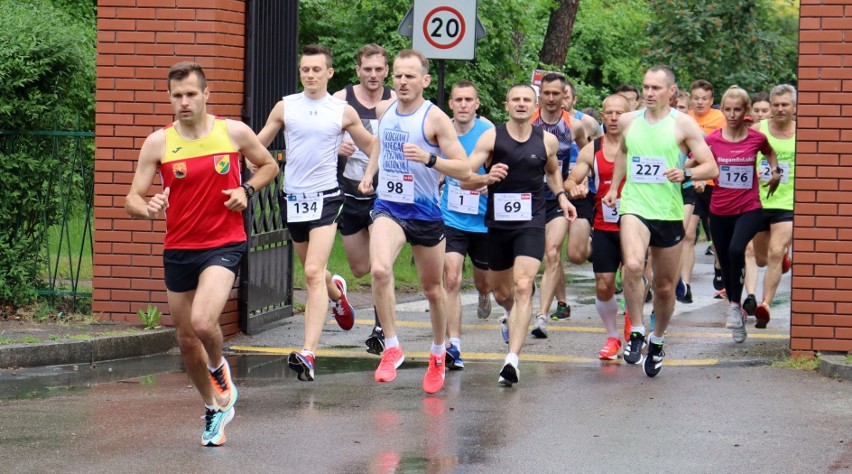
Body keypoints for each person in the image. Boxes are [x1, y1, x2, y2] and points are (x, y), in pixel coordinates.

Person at [125, 62, 279, 446]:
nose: (184, 101)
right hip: (179, 247)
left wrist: (248, 190)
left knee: (204, 323)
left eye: (191, 94)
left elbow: (269, 165)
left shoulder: (233, 132)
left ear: (206, 95)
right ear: (169, 98)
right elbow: (132, 197)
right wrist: (148, 207)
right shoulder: (158, 142)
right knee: (185, 337)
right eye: (177, 95)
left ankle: (219, 367)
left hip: (224, 242)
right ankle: (214, 408)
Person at [256, 44, 376, 382]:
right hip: (293, 198)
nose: (310, 75)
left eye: (316, 70)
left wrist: (369, 175)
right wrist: (247, 159)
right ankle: (337, 293)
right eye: (305, 70)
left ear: (329, 73)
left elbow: (372, 145)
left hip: (326, 198)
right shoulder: (286, 106)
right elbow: (258, 143)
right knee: (317, 273)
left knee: (310, 272)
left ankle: (308, 352)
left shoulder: (341, 111)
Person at [358, 49, 472, 395]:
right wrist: (369, 173)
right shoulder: (384, 109)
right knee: (379, 270)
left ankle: (438, 352)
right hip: (389, 206)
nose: (402, 81)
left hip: (425, 213)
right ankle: (392, 346)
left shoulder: (435, 118)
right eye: (398, 75)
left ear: (424, 80)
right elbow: (380, 141)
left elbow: (464, 167)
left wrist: (430, 158)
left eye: (410, 76)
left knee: (433, 290)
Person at [602, 65, 718, 377]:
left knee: (666, 287)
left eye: (656, 88)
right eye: (646, 87)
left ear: (671, 91)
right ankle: (637, 330)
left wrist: (687, 172)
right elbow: (624, 152)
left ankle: (657, 339)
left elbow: (711, 167)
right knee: (634, 266)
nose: (649, 93)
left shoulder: (684, 125)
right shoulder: (628, 121)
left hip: (668, 211)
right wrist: (615, 187)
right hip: (635, 207)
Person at [462, 83, 577, 386]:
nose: (522, 104)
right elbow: (465, 177)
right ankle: (512, 315)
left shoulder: (547, 141)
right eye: (516, 99)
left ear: (535, 104)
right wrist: (486, 177)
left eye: (527, 100)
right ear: (507, 105)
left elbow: (552, 172)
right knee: (503, 293)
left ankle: (512, 359)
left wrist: (562, 197)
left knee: (524, 284)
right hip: (498, 224)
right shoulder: (492, 137)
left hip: (531, 221)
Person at [331, 44, 397, 356]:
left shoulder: (395, 101)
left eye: (378, 69)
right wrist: (336, 150)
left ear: (387, 71)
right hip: (350, 189)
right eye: (367, 69)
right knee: (360, 268)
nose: (373, 75)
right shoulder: (341, 100)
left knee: (381, 264)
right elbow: (320, 140)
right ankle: (341, 291)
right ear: (357, 70)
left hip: (386, 193)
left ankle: (381, 328)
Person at [706, 85, 780, 342]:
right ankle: (735, 309)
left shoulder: (756, 138)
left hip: (749, 207)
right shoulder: (712, 139)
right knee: (726, 260)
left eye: (738, 109)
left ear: (746, 111)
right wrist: (690, 173)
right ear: (722, 110)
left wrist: (775, 172)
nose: (732, 114)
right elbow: (697, 160)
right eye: (728, 109)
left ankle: (737, 305)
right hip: (719, 209)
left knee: (737, 250)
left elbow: (771, 153)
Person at [566, 94, 630, 359]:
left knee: (632, 277)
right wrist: (576, 187)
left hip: (637, 223)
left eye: (619, 113)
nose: (614, 118)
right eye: (609, 113)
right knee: (604, 285)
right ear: (602, 116)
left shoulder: (640, 146)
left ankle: (634, 327)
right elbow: (570, 180)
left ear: (628, 116)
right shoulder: (593, 149)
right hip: (604, 224)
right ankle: (613, 337)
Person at [529, 73, 588, 339]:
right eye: (546, 93)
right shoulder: (527, 122)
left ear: (565, 96)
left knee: (552, 253)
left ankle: (542, 316)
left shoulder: (574, 126)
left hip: (558, 196)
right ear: (540, 95)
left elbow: (588, 156)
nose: (551, 98)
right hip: (526, 197)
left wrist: (581, 180)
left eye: (557, 93)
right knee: (527, 256)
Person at [441, 80, 495, 370]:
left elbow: (504, 169)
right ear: (451, 103)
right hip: (451, 217)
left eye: (468, 100)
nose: (463, 105)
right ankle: (454, 347)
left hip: (484, 219)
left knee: (484, 281)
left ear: (477, 104)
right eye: (458, 99)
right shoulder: (441, 131)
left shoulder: (489, 134)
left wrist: (488, 185)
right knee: (450, 278)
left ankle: (484, 295)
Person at [747, 84, 797, 328]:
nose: (779, 109)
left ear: (794, 108)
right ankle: (782, 258)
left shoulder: (803, 133)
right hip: (759, 202)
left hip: (787, 203)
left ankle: (764, 305)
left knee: (776, 251)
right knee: (761, 260)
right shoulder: (758, 130)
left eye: (784, 104)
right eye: (775, 104)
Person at [687, 79, 726, 299]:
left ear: (711, 100)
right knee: (688, 235)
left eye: (705, 98)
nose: (700, 102)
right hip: (689, 180)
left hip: (713, 183)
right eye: (696, 98)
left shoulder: (720, 119)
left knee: (716, 234)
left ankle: (720, 270)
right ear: (691, 99)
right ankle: (684, 283)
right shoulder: (684, 119)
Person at [742, 90, 774, 313]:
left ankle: (766, 298)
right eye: (757, 110)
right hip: (753, 198)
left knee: (769, 255)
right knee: (750, 251)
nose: (761, 114)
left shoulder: (782, 132)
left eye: (765, 110)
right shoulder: (749, 133)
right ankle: (751, 297)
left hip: (779, 200)